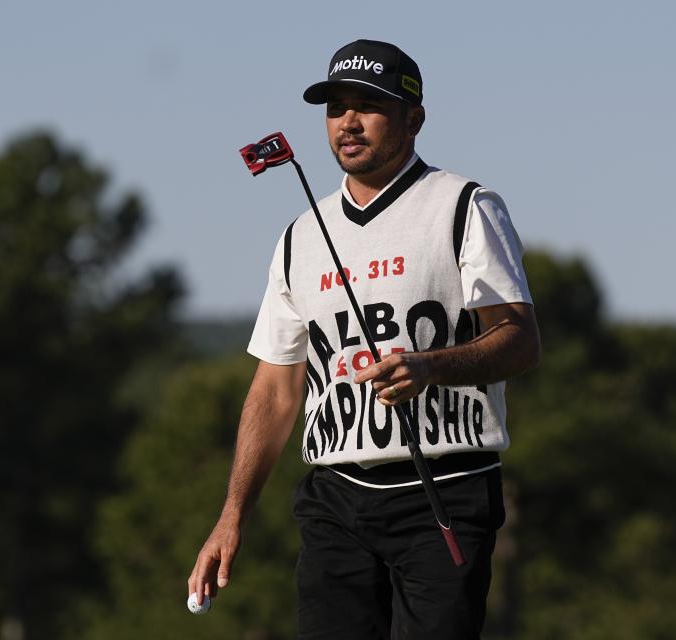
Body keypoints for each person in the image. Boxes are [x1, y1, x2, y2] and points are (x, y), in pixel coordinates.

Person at [189, 39, 540, 639]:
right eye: (334, 108)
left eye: (368, 105)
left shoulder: (463, 206)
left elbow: (520, 341)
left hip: (445, 490)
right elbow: (275, 391)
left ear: (414, 118)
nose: (347, 122)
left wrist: (431, 367)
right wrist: (230, 517)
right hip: (334, 500)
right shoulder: (301, 235)